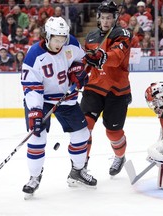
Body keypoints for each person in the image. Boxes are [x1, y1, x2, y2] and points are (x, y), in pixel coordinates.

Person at [20, 16, 97, 198]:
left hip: (66, 97)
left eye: (63, 38)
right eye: (56, 39)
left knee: (82, 134)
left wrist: (79, 72)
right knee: (37, 137)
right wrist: (36, 112)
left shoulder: (71, 43)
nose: (60, 43)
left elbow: (82, 61)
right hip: (42, 100)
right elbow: (31, 87)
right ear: (47, 36)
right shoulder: (34, 56)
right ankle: (34, 177)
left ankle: (77, 171)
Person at [81, 0, 132, 176]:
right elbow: (87, 62)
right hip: (94, 88)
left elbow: (116, 57)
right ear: (98, 18)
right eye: (103, 18)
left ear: (115, 18)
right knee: (83, 128)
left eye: (109, 18)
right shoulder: (91, 37)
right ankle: (81, 166)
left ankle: (120, 156)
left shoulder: (123, 34)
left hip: (117, 91)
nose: (105, 21)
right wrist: (78, 75)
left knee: (113, 132)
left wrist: (102, 56)